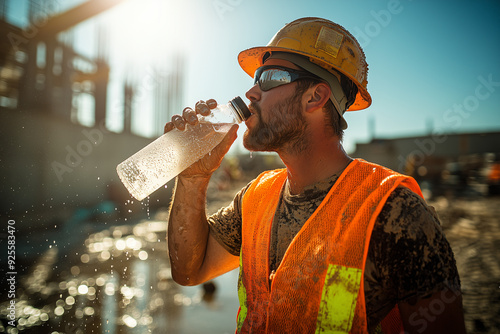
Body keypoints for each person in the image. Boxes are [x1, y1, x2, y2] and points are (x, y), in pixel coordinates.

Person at [164, 17, 466, 334]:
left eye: (267, 78)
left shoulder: (396, 214)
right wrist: (193, 178)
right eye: (254, 79)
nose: (251, 93)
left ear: (315, 97)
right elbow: (189, 271)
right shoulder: (256, 199)